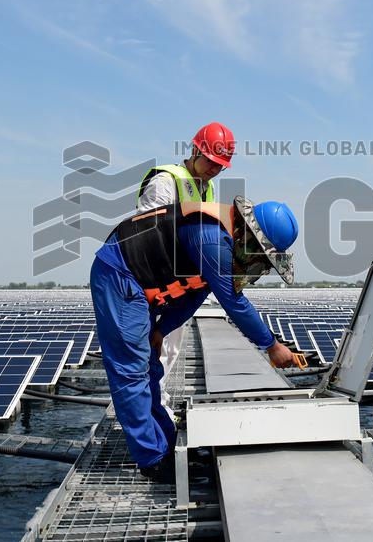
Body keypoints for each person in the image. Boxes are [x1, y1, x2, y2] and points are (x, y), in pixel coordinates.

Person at [90, 196, 299, 482]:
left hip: (139, 282)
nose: (255, 262)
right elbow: (234, 302)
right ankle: (152, 460)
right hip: (120, 274)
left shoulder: (220, 239)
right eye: (258, 254)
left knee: (150, 369)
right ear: (247, 234)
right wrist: (272, 346)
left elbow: (193, 296)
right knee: (131, 370)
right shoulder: (211, 238)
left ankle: (165, 442)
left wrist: (161, 330)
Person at [135, 122, 235, 415]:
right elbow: (145, 232)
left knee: (170, 346)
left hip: (181, 281)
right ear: (195, 151)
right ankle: (149, 409)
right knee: (149, 349)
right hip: (153, 280)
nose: (215, 170)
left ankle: (159, 402)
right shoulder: (166, 181)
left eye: (221, 166)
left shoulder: (208, 186)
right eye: (211, 162)